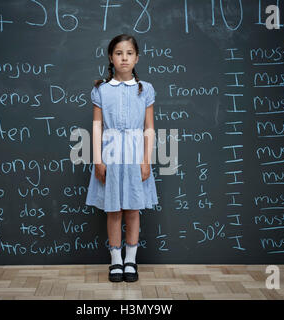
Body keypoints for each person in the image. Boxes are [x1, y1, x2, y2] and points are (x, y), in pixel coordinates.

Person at [85, 34, 158, 282]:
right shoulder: (101, 90)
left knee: (133, 209)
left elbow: (149, 127)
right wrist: (98, 159)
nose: (124, 57)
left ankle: (130, 261)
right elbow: (97, 127)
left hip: (136, 153)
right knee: (113, 210)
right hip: (111, 152)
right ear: (111, 57)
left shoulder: (145, 89)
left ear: (137, 57)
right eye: (118, 53)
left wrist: (146, 160)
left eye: (129, 53)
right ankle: (115, 261)